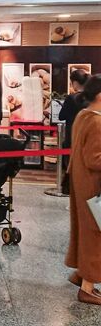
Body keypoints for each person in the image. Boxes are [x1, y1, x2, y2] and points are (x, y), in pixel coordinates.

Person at [65, 74, 101, 305]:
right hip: (93, 186)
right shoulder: (97, 122)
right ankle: (88, 287)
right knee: (95, 235)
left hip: (81, 182)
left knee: (85, 230)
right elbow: (94, 159)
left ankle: (81, 273)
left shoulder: (83, 115)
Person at [59, 69, 90, 194]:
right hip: (87, 136)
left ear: (75, 82)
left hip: (72, 135)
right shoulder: (91, 98)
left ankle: (72, 187)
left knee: (71, 164)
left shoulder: (72, 98)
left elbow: (61, 116)